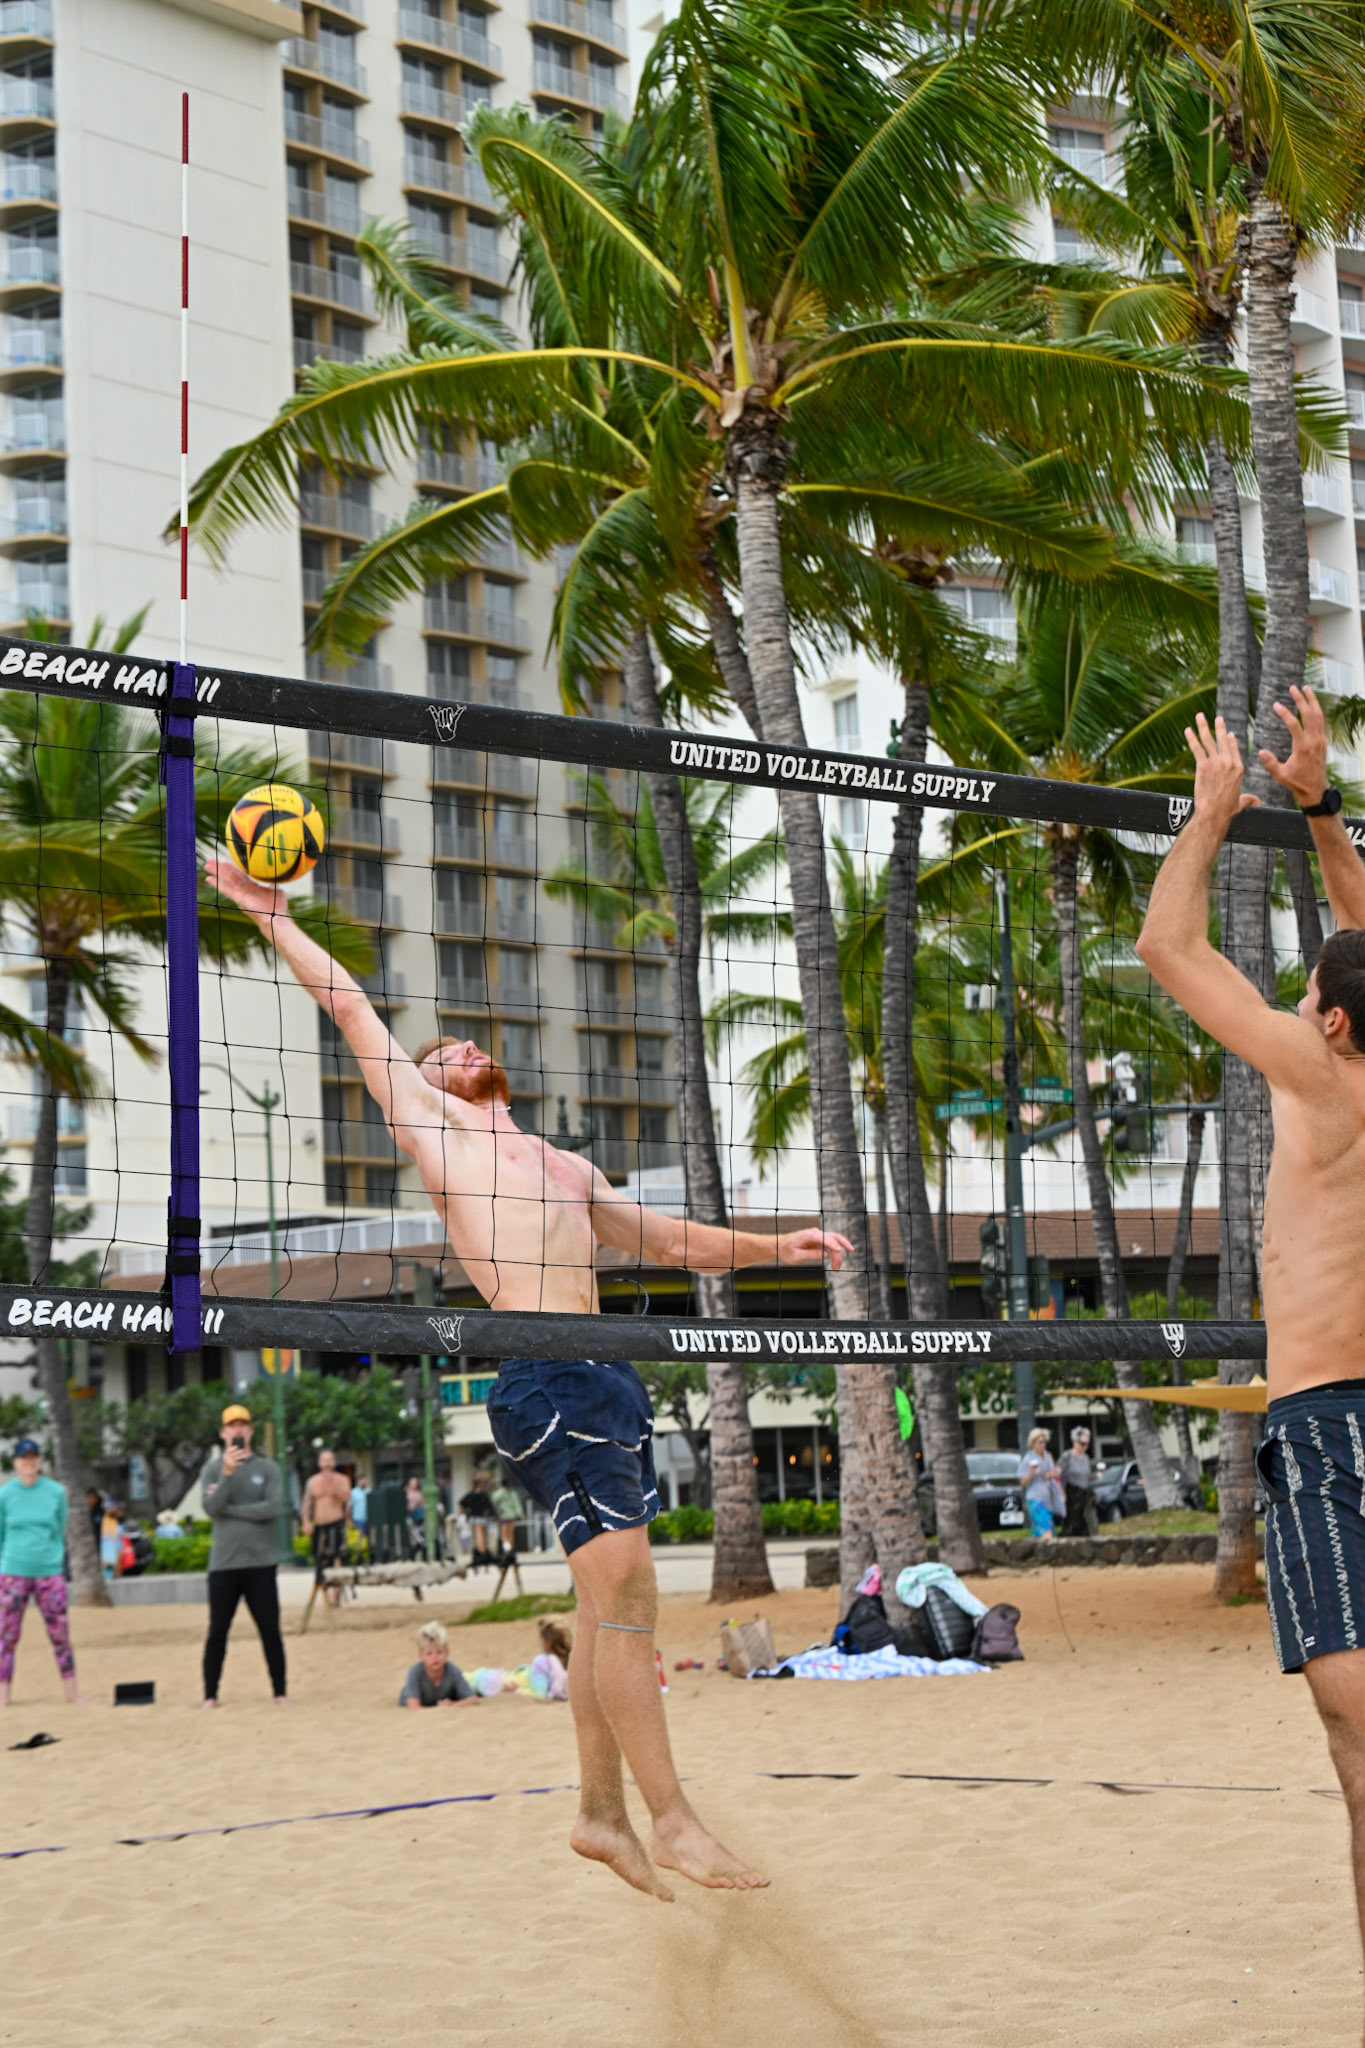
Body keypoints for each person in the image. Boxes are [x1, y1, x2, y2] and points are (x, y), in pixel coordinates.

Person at [208, 852, 851, 1896]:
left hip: (608, 1374)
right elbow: (350, 1002)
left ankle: (600, 1813)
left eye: (463, 1042)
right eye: (438, 1052)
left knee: (604, 1607)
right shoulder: (434, 1132)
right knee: (632, 1591)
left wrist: (778, 1248)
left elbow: (676, 1243)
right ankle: (672, 1815)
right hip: (544, 1372)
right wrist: (273, 917)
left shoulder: (561, 1162)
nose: (456, 1047)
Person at [1135, 687, 1365, 1990]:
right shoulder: (1340, 1040)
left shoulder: (1309, 1067)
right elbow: (1360, 933)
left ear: (1327, 1016)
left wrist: (1212, 815)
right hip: (1337, 1416)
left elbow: (1167, 946)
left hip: (1326, 1427)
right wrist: (1322, 805)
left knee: (1358, 1762)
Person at [201, 1402, 288, 1708]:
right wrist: (227, 1474)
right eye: (232, 1425)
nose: (238, 1430)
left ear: (250, 1431)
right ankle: (210, 1695)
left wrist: (232, 1511)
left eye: (243, 1425)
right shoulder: (212, 1469)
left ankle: (280, 1691)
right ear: (223, 1433)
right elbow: (211, 1508)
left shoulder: (268, 1468)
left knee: (270, 1630)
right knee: (217, 1631)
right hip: (223, 1564)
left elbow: (273, 1508)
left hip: (261, 1562)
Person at [0, 1437, 80, 1707]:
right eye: (24, 1458)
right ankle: (4, 1695)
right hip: (14, 1570)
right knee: (6, 1635)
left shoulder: (56, 1493)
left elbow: (59, 1528)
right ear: (15, 1463)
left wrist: (53, 1558)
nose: (29, 1463)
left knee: (60, 1633)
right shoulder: (5, 1495)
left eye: (33, 1457)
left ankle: (72, 1693)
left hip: (48, 1571)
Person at [301, 1449, 351, 1607]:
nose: (327, 1463)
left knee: (337, 1558)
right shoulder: (312, 1481)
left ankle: (335, 1596)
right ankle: (325, 1594)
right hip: (320, 1525)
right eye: (324, 1460)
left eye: (330, 1460)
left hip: (336, 1522)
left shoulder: (342, 1479)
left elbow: (347, 1498)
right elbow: (307, 1503)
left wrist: (334, 1488)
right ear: (319, 1463)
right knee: (321, 1559)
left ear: (334, 1462)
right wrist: (306, 1522)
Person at [398, 1620, 478, 1709]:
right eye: (429, 1654)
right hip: (415, 1698)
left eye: (439, 1652)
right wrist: (436, 1710)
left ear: (447, 1653)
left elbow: (473, 1699)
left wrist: (452, 1705)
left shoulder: (452, 1670)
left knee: (470, 1686)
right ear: (421, 1656)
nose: (435, 1657)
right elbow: (413, 1705)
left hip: (445, 1698)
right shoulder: (415, 1671)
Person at [1017, 1428, 1062, 1540]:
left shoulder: (1048, 1456)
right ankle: (1050, 1555)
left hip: (1048, 1499)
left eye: (1044, 1441)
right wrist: (1031, 1473)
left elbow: (1053, 1474)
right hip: (1036, 1499)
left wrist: (1053, 1474)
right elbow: (1023, 1482)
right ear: (1033, 1443)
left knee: (1039, 1533)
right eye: (1040, 1442)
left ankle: (1031, 1555)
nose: (1043, 1444)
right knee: (1047, 1531)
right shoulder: (1028, 1459)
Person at [1057, 1427, 1099, 1537]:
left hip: (1084, 1495)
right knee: (1071, 1524)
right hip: (1072, 1495)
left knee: (1086, 1524)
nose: (1085, 1447)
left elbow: (1086, 1476)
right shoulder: (1067, 1457)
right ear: (1075, 1441)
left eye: (1087, 1444)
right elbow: (1058, 1476)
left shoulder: (1086, 1458)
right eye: (1082, 1443)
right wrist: (1062, 1493)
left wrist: (1097, 1475)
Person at [459, 1471, 498, 1567]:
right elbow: (490, 1506)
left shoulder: (471, 1494)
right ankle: (483, 1551)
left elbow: (462, 1502)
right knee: (482, 1534)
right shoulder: (483, 1494)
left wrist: (469, 1511)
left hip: (475, 1517)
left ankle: (482, 1551)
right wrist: (493, 1515)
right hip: (482, 1517)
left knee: (479, 1534)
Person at [490, 1476, 522, 1557]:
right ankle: (511, 1551)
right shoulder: (512, 1493)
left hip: (503, 1516)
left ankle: (507, 1551)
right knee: (510, 1535)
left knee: (504, 1536)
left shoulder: (497, 1494)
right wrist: (520, 1515)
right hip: (512, 1516)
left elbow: (493, 1504)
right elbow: (517, 1505)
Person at [350, 1474, 369, 1561]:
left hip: (368, 1519)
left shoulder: (369, 1491)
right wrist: (350, 1519)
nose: (363, 1482)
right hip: (357, 1519)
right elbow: (349, 1507)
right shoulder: (353, 1492)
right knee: (359, 1539)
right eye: (362, 1480)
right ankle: (358, 1558)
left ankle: (367, 1557)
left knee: (368, 1539)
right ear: (358, 1481)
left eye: (365, 1480)